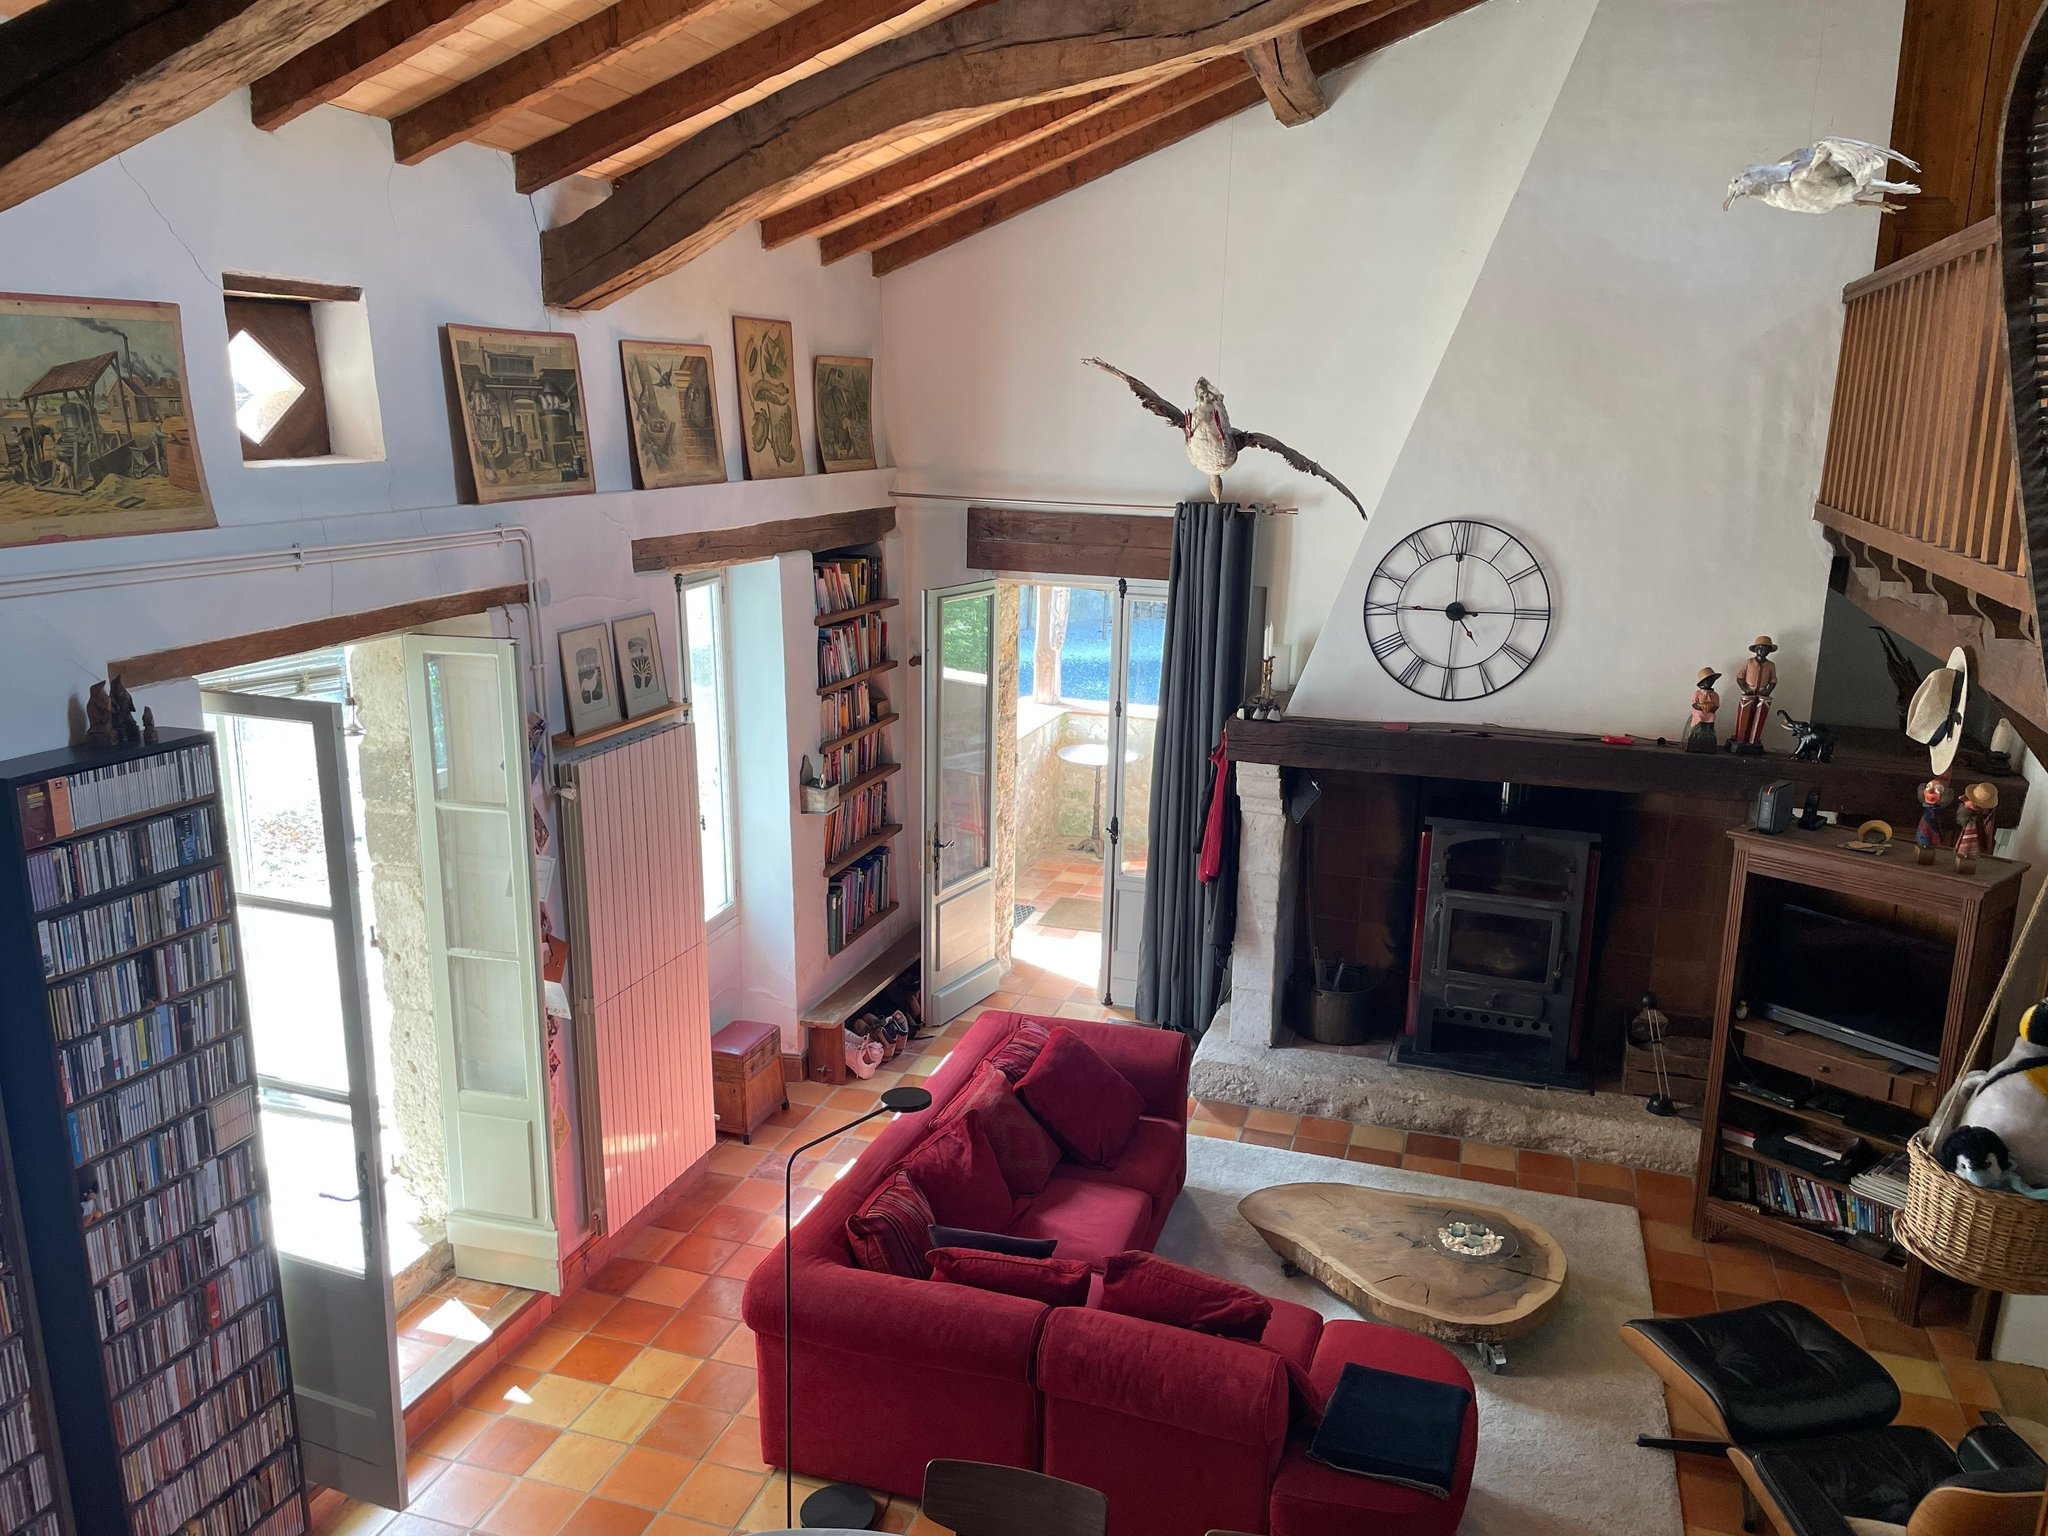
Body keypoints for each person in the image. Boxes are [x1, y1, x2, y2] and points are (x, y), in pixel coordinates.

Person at [1731, 636, 1778, 755]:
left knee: (1760, 716)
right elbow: (1740, 678)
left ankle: (1753, 740)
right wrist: (1746, 689)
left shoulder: (1771, 665)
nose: (1762, 651)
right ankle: (1740, 739)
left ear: (1769, 651)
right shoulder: (1749, 662)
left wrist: (1767, 691)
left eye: (1765, 649)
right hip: (1749, 693)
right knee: (1744, 715)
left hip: (1762, 694)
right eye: (1760, 648)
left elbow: (1773, 681)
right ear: (1755, 649)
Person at [1686, 667, 1721, 754]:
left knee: (1711, 717)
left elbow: (1716, 705)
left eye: (1711, 680)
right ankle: (1697, 734)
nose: (1709, 682)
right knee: (1699, 717)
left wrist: (1711, 708)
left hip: (1709, 713)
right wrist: (1701, 707)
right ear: (1702, 682)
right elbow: (1694, 704)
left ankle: (1708, 734)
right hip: (1699, 712)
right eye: (1706, 680)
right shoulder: (1697, 693)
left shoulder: (1715, 695)